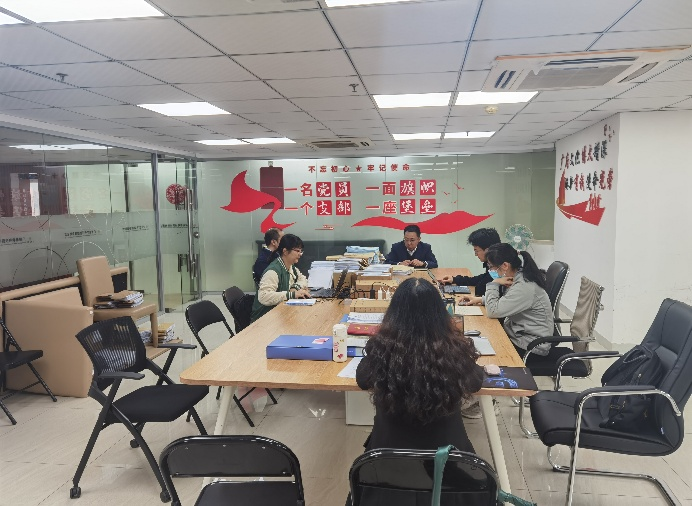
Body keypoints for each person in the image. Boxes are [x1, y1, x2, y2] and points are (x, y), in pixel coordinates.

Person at [356, 277, 483, 453]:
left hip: (388, 457)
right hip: (447, 459)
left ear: (393, 314)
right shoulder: (454, 351)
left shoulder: (382, 350)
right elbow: (475, 382)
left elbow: (362, 379)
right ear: (439, 314)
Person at [483, 243, 554, 357]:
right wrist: (481, 299)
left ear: (505, 265)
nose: (490, 270)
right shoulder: (519, 276)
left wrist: (494, 284)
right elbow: (510, 300)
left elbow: (493, 311)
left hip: (530, 346)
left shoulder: (524, 286)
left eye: (491, 266)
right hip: (519, 335)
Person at [250, 233, 309, 322]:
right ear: (285, 251)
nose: (300, 254)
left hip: (280, 314)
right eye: (297, 251)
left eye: (301, 251)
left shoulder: (291, 266)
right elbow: (264, 296)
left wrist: (295, 287)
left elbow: (303, 279)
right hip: (264, 319)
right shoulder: (273, 271)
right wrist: (291, 294)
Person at [438, 227, 500, 299]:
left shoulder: (500, 267)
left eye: (476, 251)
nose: (476, 254)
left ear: (487, 250)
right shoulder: (493, 262)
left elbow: (481, 290)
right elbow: (481, 278)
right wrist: (454, 279)